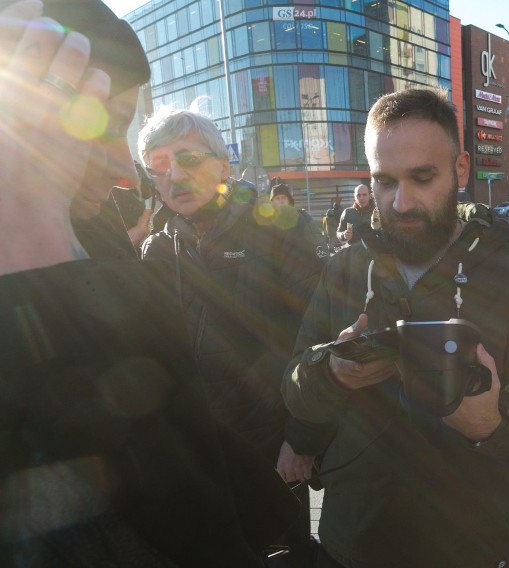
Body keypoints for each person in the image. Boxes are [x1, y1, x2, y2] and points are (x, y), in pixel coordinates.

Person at [0, 0, 297, 565]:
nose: (126, 171)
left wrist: (294, 441)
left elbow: (185, 476)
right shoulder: (129, 244)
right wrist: (35, 254)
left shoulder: (102, 238)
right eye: (97, 126)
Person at [281, 88, 509, 567]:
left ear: (461, 169)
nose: (401, 202)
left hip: (471, 543)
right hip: (355, 538)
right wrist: (331, 371)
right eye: (384, 181)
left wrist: (493, 425)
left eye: (422, 178)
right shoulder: (345, 268)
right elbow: (294, 386)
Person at [138, 107, 326, 565]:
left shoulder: (282, 231)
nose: (175, 175)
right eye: (159, 165)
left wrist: (302, 440)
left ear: (223, 167)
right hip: (203, 453)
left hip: (274, 450)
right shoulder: (158, 250)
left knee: (288, 555)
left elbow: (322, 339)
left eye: (189, 159)